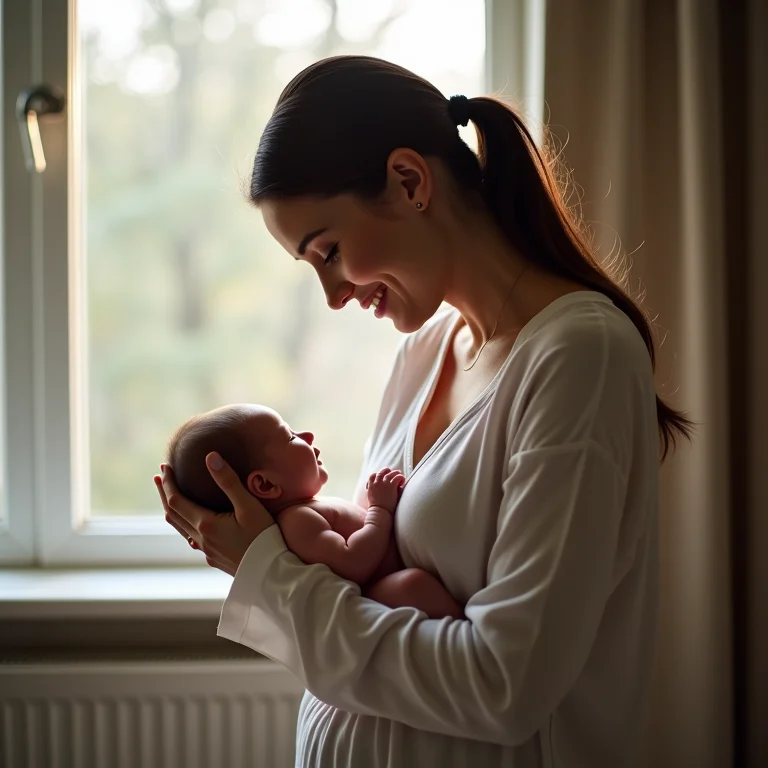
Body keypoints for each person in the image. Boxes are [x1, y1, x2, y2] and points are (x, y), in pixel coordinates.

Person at [156, 55, 692, 767]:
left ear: (409, 182)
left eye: (330, 252)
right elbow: (376, 589)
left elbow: (505, 686)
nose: (333, 296)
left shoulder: (578, 357)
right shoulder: (425, 352)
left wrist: (272, 576)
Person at [166, 403, 464, 619]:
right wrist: (381, 510)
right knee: (413, 585)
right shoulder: (297, 521)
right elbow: (353, 562)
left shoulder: (307, 509)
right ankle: (461, 632)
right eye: (291, 436)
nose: (307, 435)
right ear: (265, 484)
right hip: (377, 594)